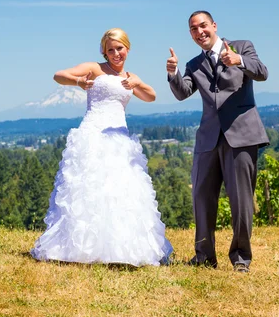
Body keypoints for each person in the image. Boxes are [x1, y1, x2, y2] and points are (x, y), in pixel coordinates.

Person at [31, 28, 173, 267]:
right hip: (93, 135)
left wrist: (137, 82)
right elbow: (58, 75)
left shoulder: (130, 76)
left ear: (127, 48)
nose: (116, 53)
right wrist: (78, 81)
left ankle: (119, 248)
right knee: (89, 189)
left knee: (119, 191)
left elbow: (151, 96)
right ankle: (80, 247)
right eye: (110, 49)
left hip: (119, 137)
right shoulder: (95, 68)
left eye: (119, 48)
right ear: (104, 52)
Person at [166, 11, 269, 273]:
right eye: (193, 29)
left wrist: (239, 60)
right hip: (207, 140)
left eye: (203, 26)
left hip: (241, 136)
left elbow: (262, 72)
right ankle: (204, 257)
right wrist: (174, 72)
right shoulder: (193, 64)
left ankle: (241, 258)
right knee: (201, 197)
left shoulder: (242, 47)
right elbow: (182, 93)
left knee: (241, 201)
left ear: (214, 26)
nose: (199, 32)